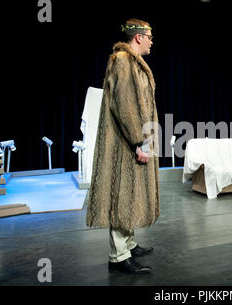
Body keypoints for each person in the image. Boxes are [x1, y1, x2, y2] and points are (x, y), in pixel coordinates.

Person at [86, 19, 160, 273]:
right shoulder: (122, 60)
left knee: (132, 195)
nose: (152, 41)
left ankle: (128, 242)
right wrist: (139, 141)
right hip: (124, 144)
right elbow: (125, 105)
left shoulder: (133, 63)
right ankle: (118, 255)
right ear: (138, 37)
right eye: (149, 37)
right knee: (122, 197)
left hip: (135, 140)